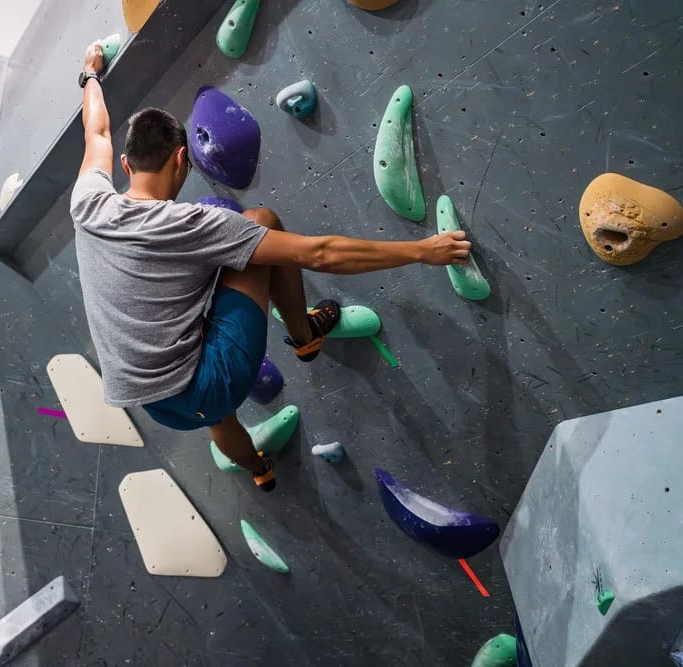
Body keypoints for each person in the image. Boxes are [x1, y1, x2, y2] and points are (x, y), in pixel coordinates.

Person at [70, 43, 471, 492]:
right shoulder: (190, 224)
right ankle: (305, 335)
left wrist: (90, 75)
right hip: (207, 383)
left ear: (125, 165)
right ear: (182, 159)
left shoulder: (88, 203)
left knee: (214, 413)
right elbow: (318, 253)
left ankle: (259, 469)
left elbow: (97, 133)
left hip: (155, 405)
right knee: (261, 221)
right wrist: (422, 251)